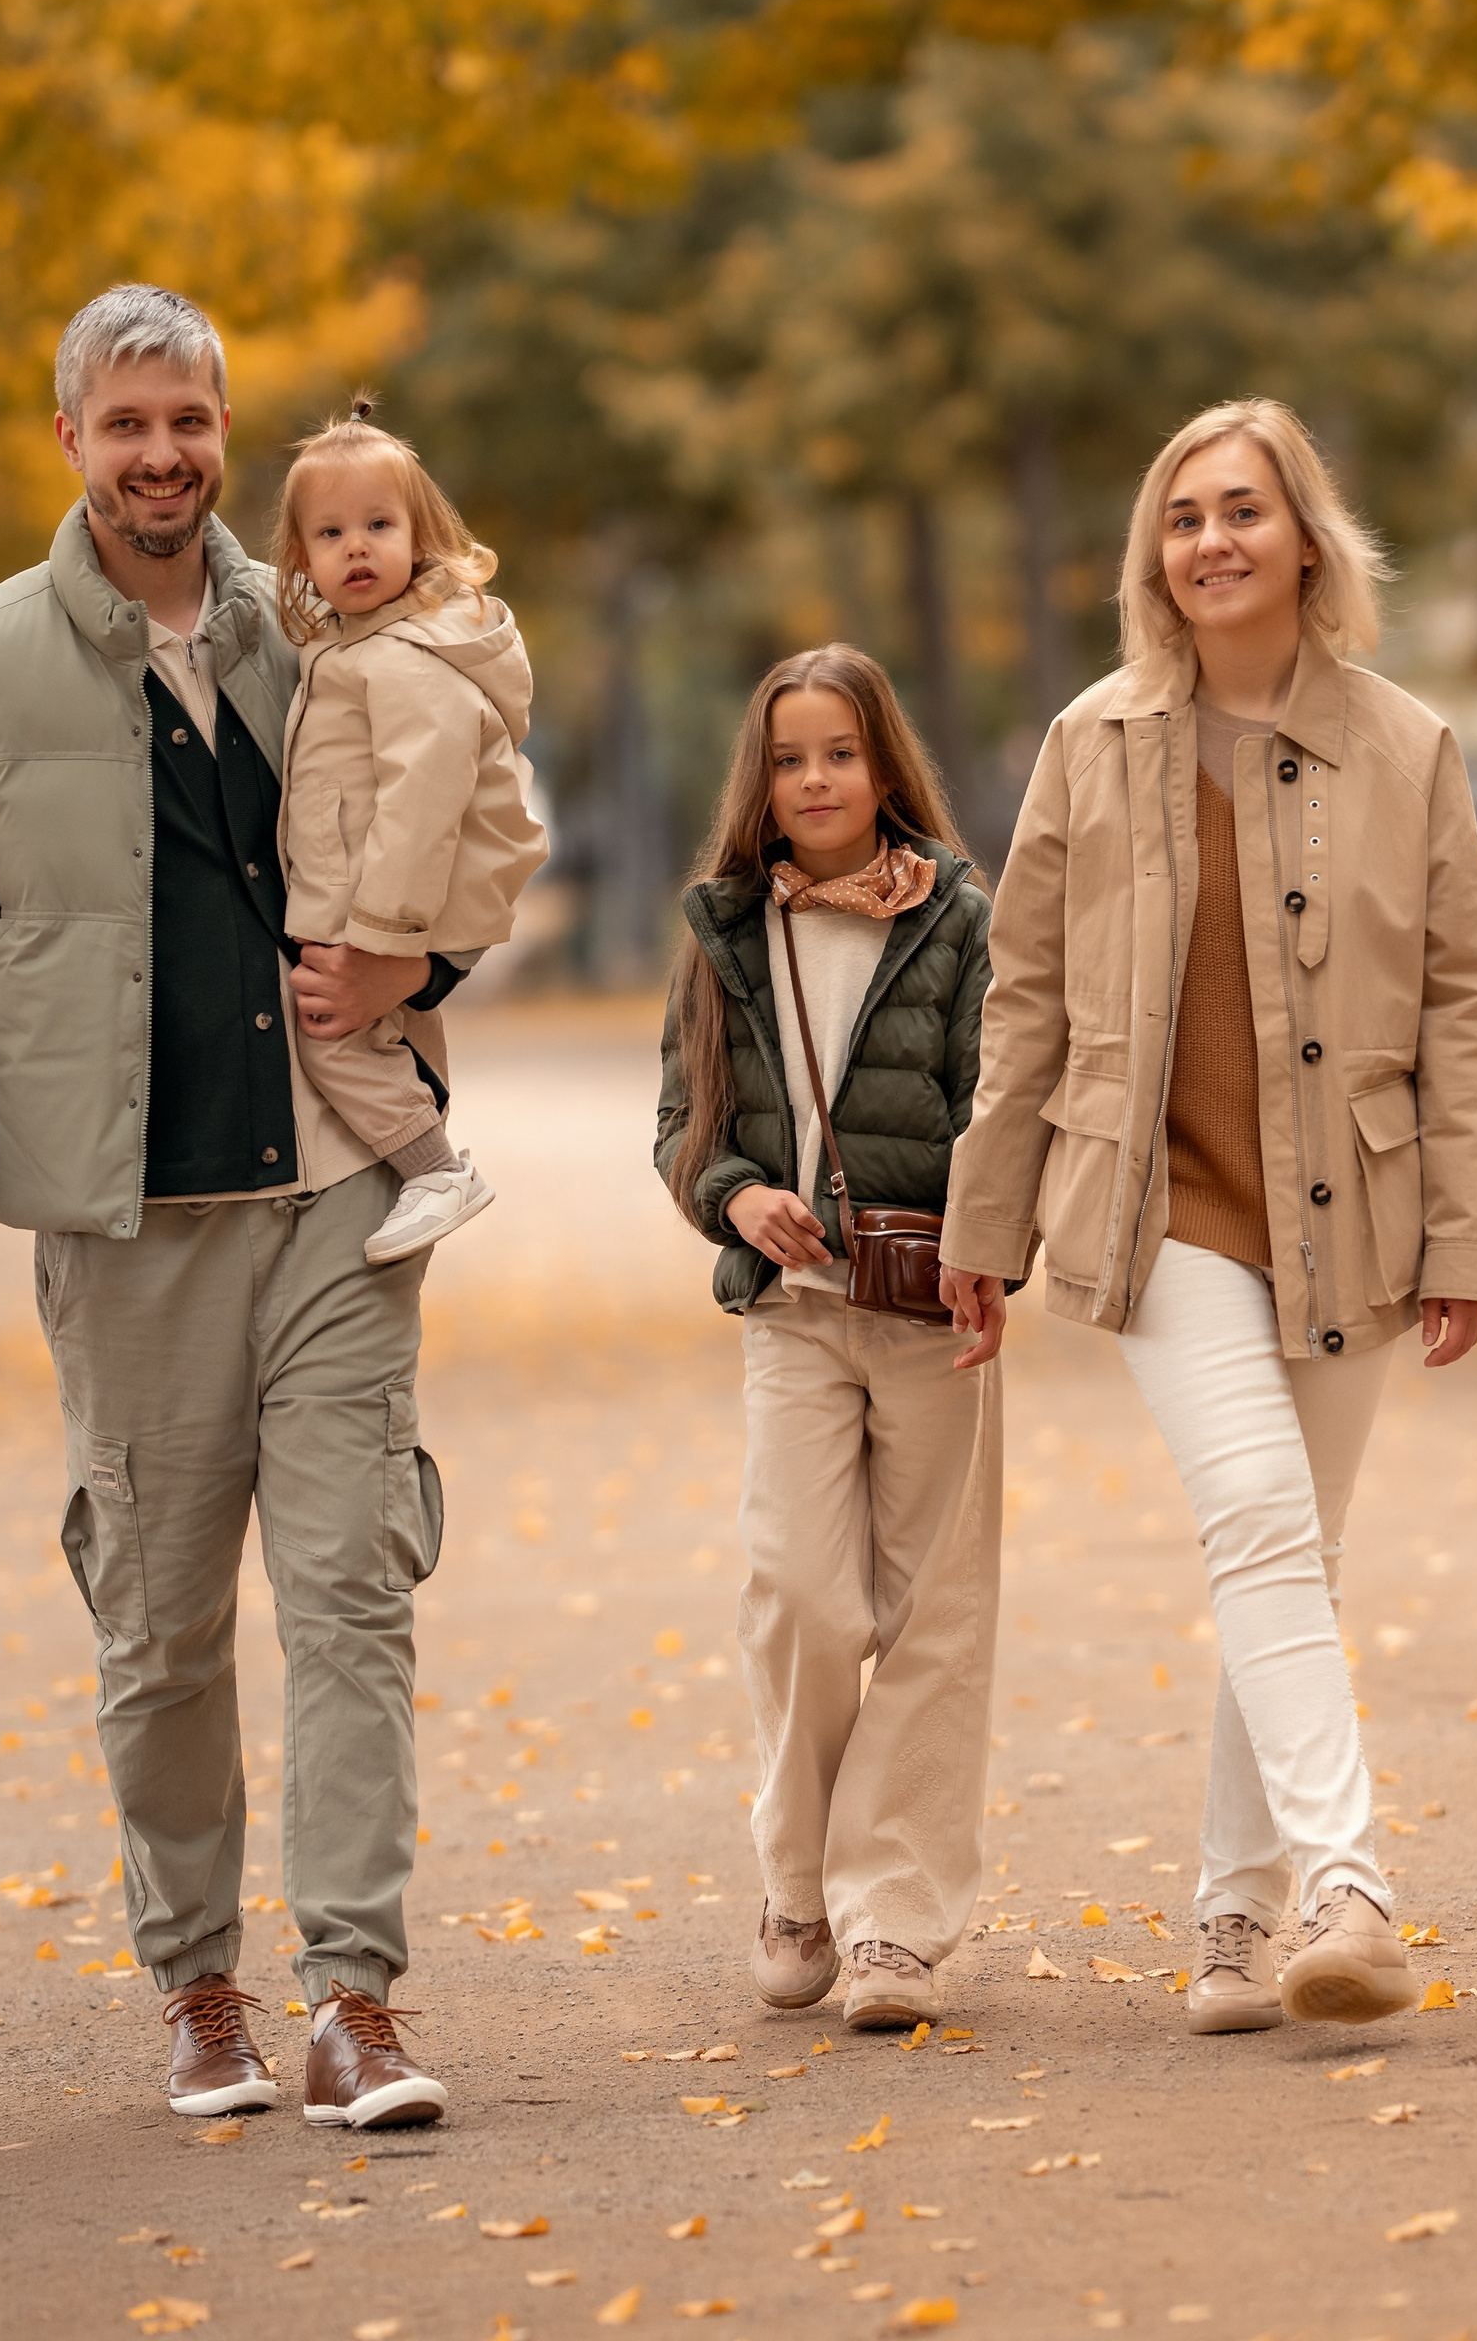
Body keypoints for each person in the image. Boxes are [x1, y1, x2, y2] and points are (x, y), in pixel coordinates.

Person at [0, 283, 454, 2129]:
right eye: (125, 423)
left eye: (189, 419)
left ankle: (357, 1994)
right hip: (128, 1234)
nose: (162, 454)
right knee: (163, 1628)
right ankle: (203, 1990)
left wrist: (416, 974)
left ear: (223, 430)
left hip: (342, 1201)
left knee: (354, 1593)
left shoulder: (325, 628)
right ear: (70, 440)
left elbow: (442, 841)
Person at [940, 398, 1477, 2033]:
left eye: (1243, 510)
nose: (1212, 539)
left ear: (1308, 539)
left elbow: (1472, 1004)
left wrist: (1468, 1238)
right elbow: (1026, 1001)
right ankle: (1354, 1889)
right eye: (1183, 516)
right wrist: (986, 1227)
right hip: (1155, 1204)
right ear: (1155, 555)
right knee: (1261, 1522)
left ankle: (1230, 1923)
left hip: (1353, 1209)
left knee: (1294, 1563)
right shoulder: (1091, 744)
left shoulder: (1409, 749)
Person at [655, 644, 1002, 2032]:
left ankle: (895, 1926)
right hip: (793, 1320)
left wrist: (992, 1247)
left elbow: (999, 1099)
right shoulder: (726, 926)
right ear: (764, 777)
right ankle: (796, 1882)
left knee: (935, 1617)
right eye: (790, 757)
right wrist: (739, 1195)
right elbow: (681, 1131)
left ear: (884, 766)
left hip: (931, 1310)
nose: (815, 780)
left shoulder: (959, 916)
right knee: (802, 1598)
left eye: (841, 754)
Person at [266, 397, 548, 1266]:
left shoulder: (404, 659)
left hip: (388, 914)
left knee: (330, 1037)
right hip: (372, 907)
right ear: (302, 558)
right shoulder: (355, 650)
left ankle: (435, 1172)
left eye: (378, 524)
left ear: (420, 536)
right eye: (331, 533)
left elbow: (419, 804)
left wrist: (382, 940)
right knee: (352, 1039)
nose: (356, 547)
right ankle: (428, 1166)